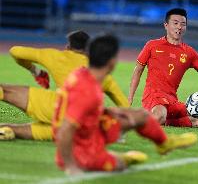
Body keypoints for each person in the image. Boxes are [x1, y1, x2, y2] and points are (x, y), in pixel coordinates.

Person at [53, 34, 198, 174]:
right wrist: (70, 166)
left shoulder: (82, 74)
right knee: (120, 164)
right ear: (112, 61)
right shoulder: (88, 90)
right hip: (81, 154)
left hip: (90, 130)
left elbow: (79, 110)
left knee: (140, 115)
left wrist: (111, 113)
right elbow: (65, 129)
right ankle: (121, 159)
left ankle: (164, 144)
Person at [0, 30, 129, 140]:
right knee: (12, 129)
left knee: (4, 91)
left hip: (53, 107)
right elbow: (125, 105)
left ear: (68, 46)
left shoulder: (56, 56)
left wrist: (35, 71)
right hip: (71, 129)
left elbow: (15, 51)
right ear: (89, 51)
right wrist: (118, 131)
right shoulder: (102, 74)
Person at [128, 8, 198, 128]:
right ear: (166, 25)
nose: (179, 27)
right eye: (175, 23)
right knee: (160, 114)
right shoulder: (152, 45)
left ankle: (165, 121)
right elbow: (138, 70)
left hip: (172, 100)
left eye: (183, 24)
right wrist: (130, 97)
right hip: (154, 96)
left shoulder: (189, 52)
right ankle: (145, 119)